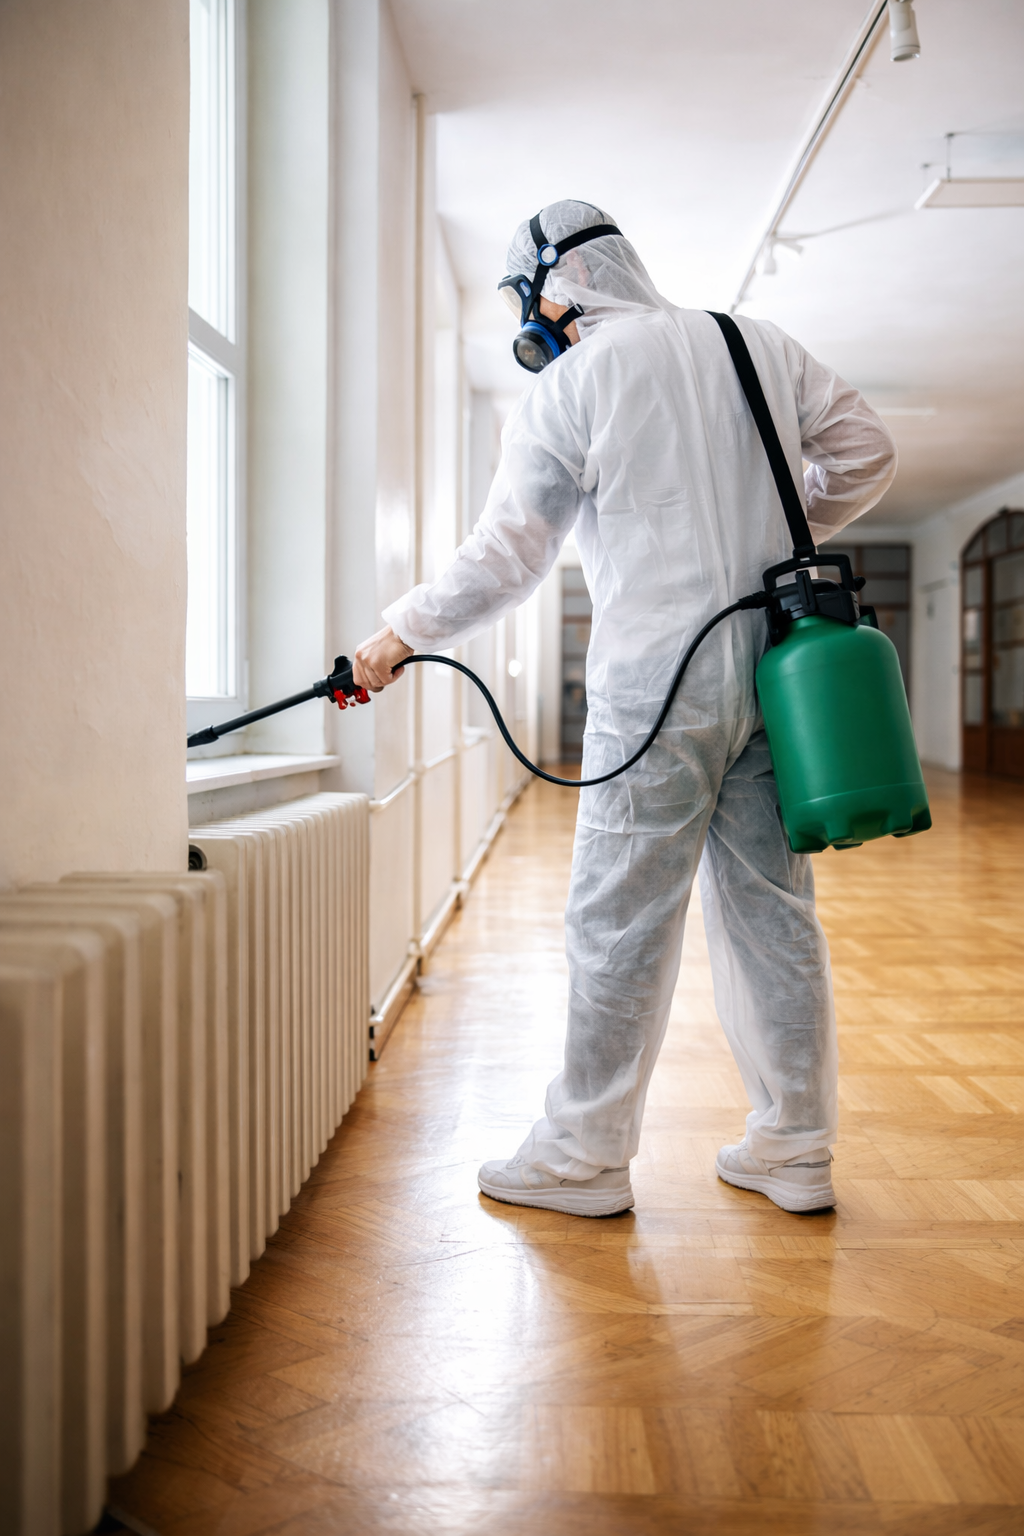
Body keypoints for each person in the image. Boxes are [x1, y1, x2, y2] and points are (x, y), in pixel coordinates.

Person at [353, 200, 896, 1218]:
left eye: (528, 298)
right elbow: (866, 451)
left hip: (659, 681)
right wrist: (772, 527)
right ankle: (795, 1148)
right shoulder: (755, 340)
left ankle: (584, 1156)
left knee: (618, 916)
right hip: (780, 665)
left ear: (557, 290)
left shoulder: (570, 383)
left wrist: (397, 634)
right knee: (771, 911)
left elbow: (509, 557)